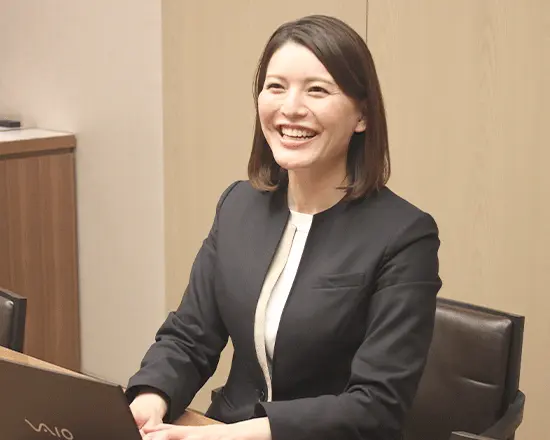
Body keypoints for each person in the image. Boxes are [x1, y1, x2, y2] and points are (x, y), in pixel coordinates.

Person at [126, 14, 442, 440]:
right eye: (276, 86)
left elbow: (376, 406)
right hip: (222, 427)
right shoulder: (238, 205)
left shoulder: (404, 236)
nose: (290, 108)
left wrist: (221, 437)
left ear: (362, 116)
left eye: (317, 90)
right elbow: (189, 336)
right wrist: (149, 401)